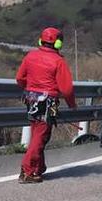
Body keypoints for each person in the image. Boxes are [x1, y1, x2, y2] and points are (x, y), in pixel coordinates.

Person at [15, 27, 77, 184]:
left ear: (40, 40)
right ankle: (27, 170)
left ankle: (39, 168)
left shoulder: (30, 56)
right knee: (41, 136)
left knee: (37, 133)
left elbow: (20, 78)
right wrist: (71, 104)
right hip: (48, 102)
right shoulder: (58, 61)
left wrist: (29, 89)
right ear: (57, 43)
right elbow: (66, 88)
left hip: (30, 100)